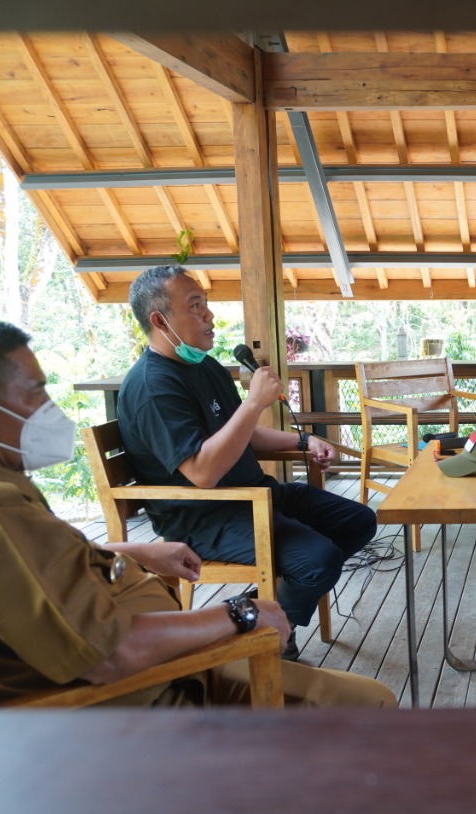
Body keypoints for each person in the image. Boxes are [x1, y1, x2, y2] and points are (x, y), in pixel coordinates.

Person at [0, 316, 395, 708]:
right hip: (164, 694)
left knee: (354, 521)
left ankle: (280, 615)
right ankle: (281, 633)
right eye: (35, 394)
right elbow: (112, 654)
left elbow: (24, 576)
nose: (49, 410)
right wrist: (242, 615)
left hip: (168, 655)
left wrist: (129, 552)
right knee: (371, 702)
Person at [116, 265, 377, 661]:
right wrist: (254, 401)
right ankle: (267, 643)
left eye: (206, 304)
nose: (209, 315)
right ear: (159, 320)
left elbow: (246, 435)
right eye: (195, 306)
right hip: (204, 517)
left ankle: (250, 610)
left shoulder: (205, 366)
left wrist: (304, 440)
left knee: (359, 521)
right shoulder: (153, 386)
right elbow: (202, 473)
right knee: (317, 560)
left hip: (254, 498)